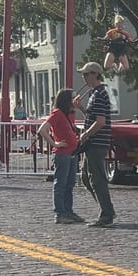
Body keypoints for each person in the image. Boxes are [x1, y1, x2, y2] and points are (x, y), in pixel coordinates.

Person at [76, 60, 117, 227]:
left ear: (95, 74)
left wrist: (85, 134)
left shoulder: (100, 94)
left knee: (97, 179)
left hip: (97, 142)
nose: (83, 77)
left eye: (86, 74)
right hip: (92, 142)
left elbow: (100, 121)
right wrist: (81, 108)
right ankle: (106, 209)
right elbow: (93, 117)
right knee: (86, 177)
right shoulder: (94, 93)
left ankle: (106, 213)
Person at [42, 88, 83, 224]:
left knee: (69, 184)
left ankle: (68, 211)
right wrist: (55, 143)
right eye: (73, 98)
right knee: (60, 184)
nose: (75, 100)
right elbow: (42, 129)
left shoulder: (69, 114)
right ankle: (60, 213)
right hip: (62, 154)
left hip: (72, 153)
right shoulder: (58, 113)